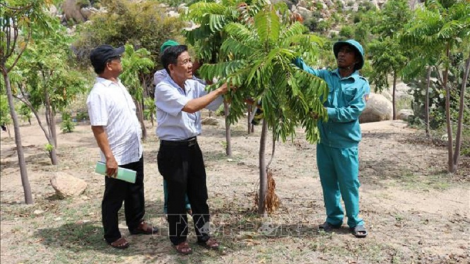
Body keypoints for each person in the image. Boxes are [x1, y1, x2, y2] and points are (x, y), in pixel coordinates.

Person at [155, 44, 229, 254]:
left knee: (199, 194)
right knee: (177, 197)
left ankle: (204, 234)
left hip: (191, 147)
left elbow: (213, 101)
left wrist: (230, 88)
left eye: (190, 60)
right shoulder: (164, 88)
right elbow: (191, 106)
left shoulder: (192, 84)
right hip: (172, 150)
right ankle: (178, 239)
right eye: (185, 62)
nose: (190, 65)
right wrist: (220, 89)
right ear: (171, 67)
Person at [293, 39, 370, 238]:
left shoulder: (361, 85)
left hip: (345, 143)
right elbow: (306, 72)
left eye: (347, 52)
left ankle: (355, 220)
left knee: (349, 183)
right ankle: (334, 218)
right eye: (340, 51)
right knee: (328, 183)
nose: (341, 55)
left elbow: (352, 112)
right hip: (324, 140)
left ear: (355, 60)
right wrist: (291, 54)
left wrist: (325, 112)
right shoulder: (326, 76)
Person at [87, 44, 158, 249]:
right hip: (117, 155)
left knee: (135, 189)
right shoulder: (99, 93)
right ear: (109, 64)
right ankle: (111, 234)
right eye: (119, 58)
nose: (122, 60)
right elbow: (98, 128)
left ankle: (136, 223)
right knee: (114, 196)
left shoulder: (117, 84)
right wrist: (109, 157)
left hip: (132, 151)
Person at [154, 40, 192, 217]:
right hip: (171, 142)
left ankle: (187, 203)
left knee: (190, 180)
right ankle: (172, 208)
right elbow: (188, 105)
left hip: (187, 139)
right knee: (172, 181)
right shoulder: (161, 78)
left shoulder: (187, 79)